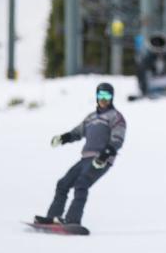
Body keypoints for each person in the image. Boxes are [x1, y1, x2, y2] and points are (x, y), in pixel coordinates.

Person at [37, 82, 127, 227]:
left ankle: (73, 220)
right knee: (63, 183)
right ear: (97, 96)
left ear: (112, 97)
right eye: (101, 95)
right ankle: (53, 217)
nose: (104, 99)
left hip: (101, 159)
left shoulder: (116, 117)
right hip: (85, 158)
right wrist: (63, 138)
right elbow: (77, 132)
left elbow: (118, 139)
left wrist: (104, 156)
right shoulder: (90, 118)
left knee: (81, 183)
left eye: (107, 95)